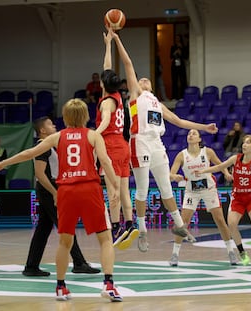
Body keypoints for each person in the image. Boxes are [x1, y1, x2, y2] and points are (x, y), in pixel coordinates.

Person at [0, 99, 123, 302]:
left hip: (66, 190)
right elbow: (105, 161)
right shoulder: (93, 135)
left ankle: (60, 287)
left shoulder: (58, 136)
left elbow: (29, 153)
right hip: (89, 188)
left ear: (65, 117)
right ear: (85, 116)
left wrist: (4, 163)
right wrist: (115, 186)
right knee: (105, 239)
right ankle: (109, 284)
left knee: (64, 241)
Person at [111, 29, 218, 253]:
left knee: (166, 188)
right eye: (141, 79)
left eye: (146, 79)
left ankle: (179, 225)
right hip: (139, 142)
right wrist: (117, 39)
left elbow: (179, 121)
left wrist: (204, 128)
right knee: (142, 190)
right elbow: (128, 64)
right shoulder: (136, 95)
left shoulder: (158, 103)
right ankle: (141, 231)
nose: (144, 79)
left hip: (157, 144)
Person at [22, 116, 101, 276]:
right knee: (66, 225)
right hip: (49, 189)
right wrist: (54, 192)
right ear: (42, 130)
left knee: (43, 229)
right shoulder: (42, 146)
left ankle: (31, 266)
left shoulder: (50, 145)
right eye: (50, 124)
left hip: (51, 189)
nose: (54, 126)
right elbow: (39, 173)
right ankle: (79, 263)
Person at [195, 135, 251, 266]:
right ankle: (242, 252)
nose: (244, 145)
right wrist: (204, 171)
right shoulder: (235, 159)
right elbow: (219, 167)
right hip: (238, 197)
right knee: (231, 224)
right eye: (244, 142)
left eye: (248, 143)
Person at [95, 29, 139, 250]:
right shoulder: (117, 96)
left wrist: (94, 134)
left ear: (103, 84)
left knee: (112, 192)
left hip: (111, 145)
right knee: (123, 190)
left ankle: (115, 228)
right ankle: (130, 224)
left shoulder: (106, 103)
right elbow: (107, 68)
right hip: (123, 146)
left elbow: (104, 122)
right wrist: (108, 44)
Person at [169, 129, 239, 266]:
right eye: (189, 133)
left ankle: (231, 251)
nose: (190, 135)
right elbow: (171, 174)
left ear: (199, 139)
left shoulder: (207, 152)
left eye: (194, 133)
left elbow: (220, 164)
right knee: (183, 222)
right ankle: (174, 255)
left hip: (209, 189)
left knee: (219, 220)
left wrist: (226, 173)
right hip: (191, 191)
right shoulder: (181, 155)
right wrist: (175, 177)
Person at [170, 34, 188, 100]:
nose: (177, 40)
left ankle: (182, 96)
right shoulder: (173, 47)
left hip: (181, 65)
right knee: (174, 81)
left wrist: (181, 51)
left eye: (178, 38)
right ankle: (175, 96)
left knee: (182, 80)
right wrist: (175, 52)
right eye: (176, 38)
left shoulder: (183, 46)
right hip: (174, 65)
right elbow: (170, 57)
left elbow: (186, 56)